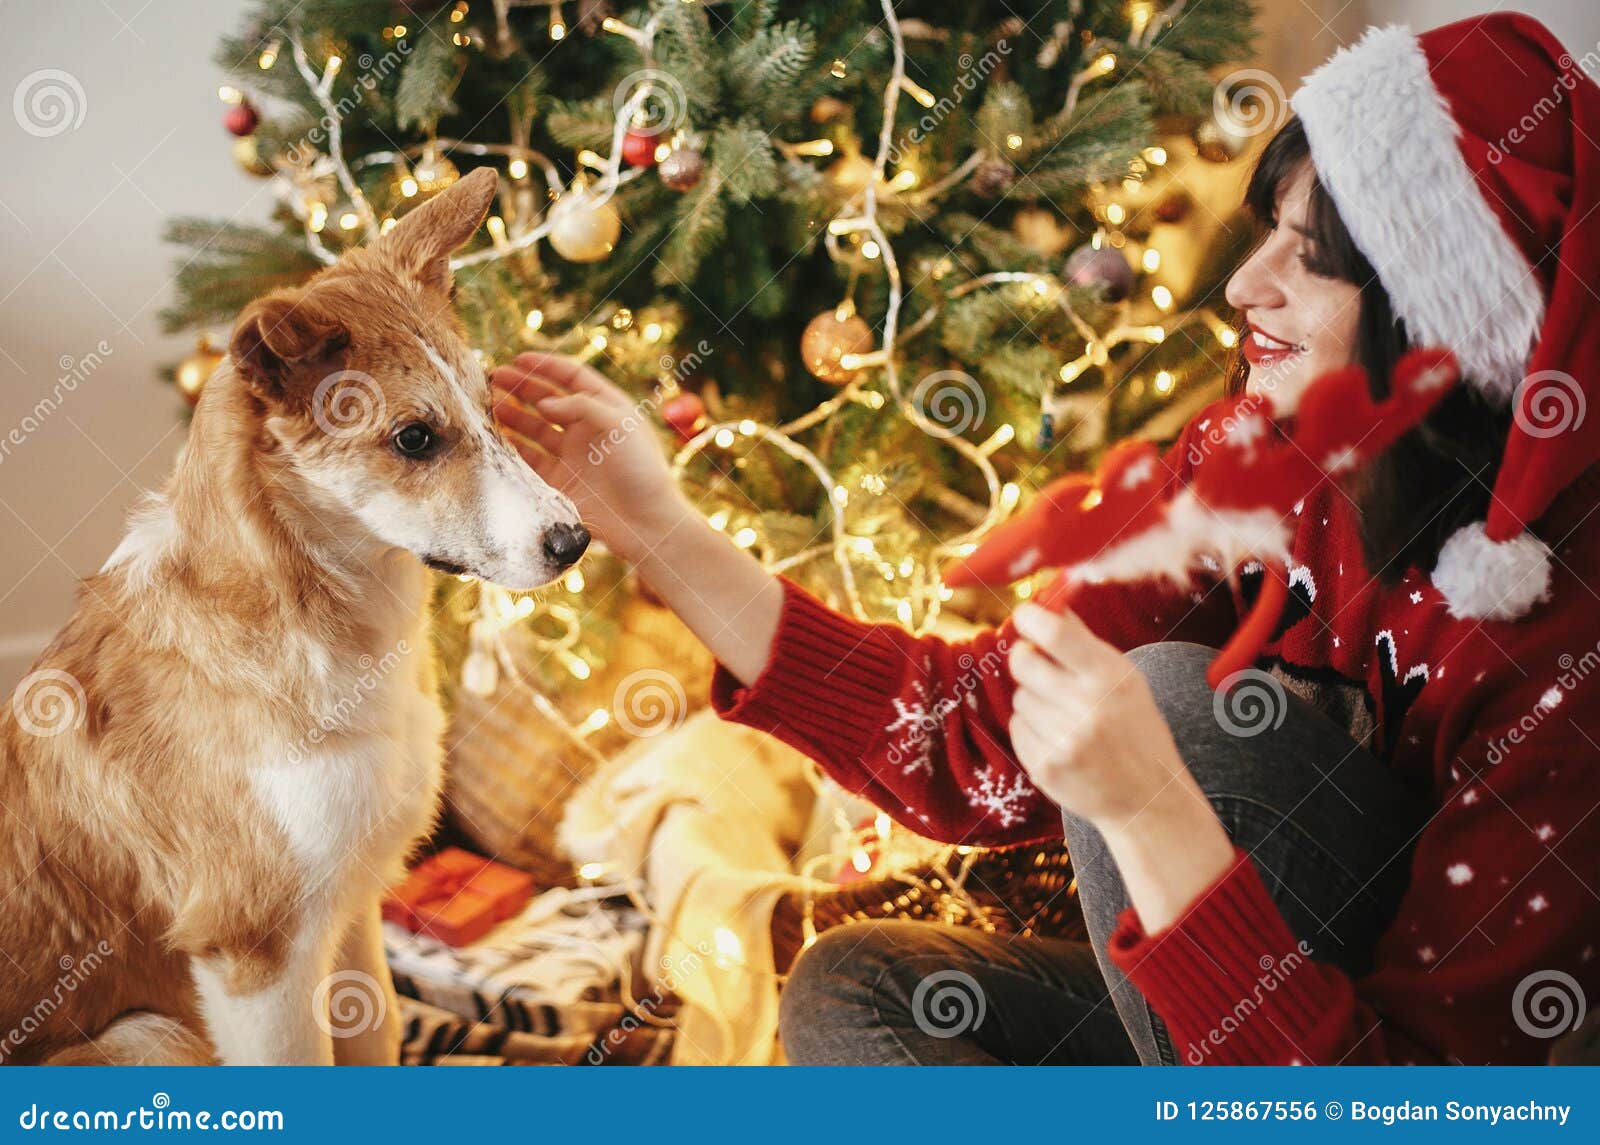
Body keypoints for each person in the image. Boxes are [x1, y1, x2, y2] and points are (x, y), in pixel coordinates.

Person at [491, 14, 1600, 1065]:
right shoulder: (1258, 453)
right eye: (1265, 230)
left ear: (1434, 316)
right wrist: (658, 530)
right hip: (1227, 1026)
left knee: (1175, 707)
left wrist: (1150, 806)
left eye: (1306, 256)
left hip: (1357, 1084)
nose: (1240, 286)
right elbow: (970, 737)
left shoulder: (1564, 642)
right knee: (855, 987)